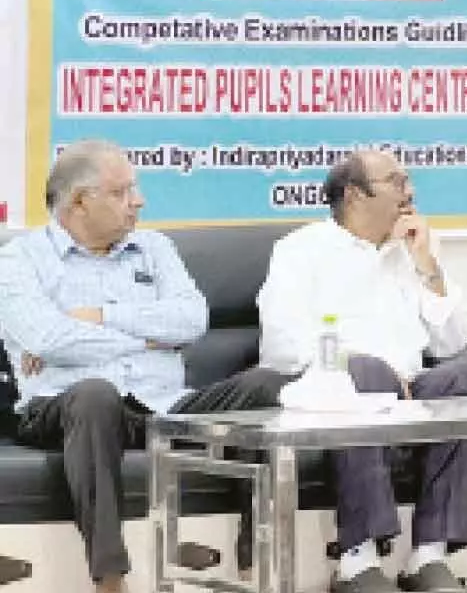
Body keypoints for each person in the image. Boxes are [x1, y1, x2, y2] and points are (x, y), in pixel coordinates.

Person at [256, 150, 467, 593]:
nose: (411, 192)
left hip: (410, 390)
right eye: (397, 182)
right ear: (354, 195)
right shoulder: (301, 250)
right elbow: (280, 344)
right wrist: (359, 367)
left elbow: (453, 342)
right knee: (367, 373)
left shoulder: (407, 252)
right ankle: (357, 559)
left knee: (463, 378)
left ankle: (429, 554)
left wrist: (427, 265)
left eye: (408, 181)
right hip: (337, 389)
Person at [0, 140, 290, 593]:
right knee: (96, 394)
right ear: (80, 201)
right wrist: (150, 338)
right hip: (66, 406)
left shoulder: (153, 247)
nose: (139, 201)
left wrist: (100, 316)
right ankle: (110, 579)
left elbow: (192, 321)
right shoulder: (20, 259)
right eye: (122, 192)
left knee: (265, 385)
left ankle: (256, 561)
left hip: (163, 406)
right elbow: (46, 338)